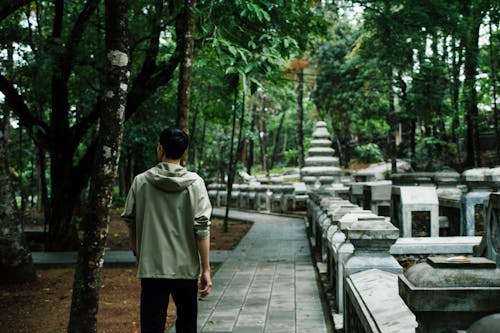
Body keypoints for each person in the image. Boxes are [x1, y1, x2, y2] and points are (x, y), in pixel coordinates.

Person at [121, 127, 212, 333]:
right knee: (187, 325)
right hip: (186, 269)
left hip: (152, 267)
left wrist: (138, 253)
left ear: (160, 148)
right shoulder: (196, 184)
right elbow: (202, 229)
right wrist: (205, 269)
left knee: (152, 326)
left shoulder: (141, 182)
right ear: (184, 151)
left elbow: (131, 222)